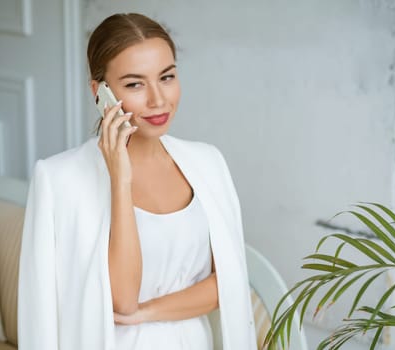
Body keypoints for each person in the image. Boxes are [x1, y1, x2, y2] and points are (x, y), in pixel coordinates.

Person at [17, 12, 256, 350]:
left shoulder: (208, 163)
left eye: (167, 77)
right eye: (134, 84)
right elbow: (121, 301)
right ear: (100, 92)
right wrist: (121, 180)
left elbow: (229, 282)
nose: (158, 100)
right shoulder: (58, 180)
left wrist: (149, 312)